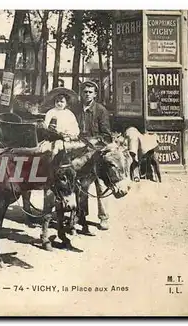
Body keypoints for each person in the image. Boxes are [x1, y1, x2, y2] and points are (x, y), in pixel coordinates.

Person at [74, 80, 112, 231]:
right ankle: (81, 214)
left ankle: (104, 217)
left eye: (90, 92)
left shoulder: (101, 111)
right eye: (85, 91)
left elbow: (107, 136)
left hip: (96, 151)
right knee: (79, 183)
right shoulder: (75, 110)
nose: (87, 94)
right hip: (79, 150)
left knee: (100, 183)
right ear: (81, 93)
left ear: (95, 94)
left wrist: (94, 142)